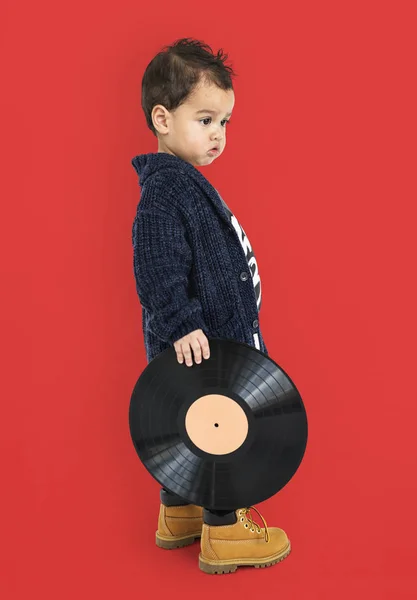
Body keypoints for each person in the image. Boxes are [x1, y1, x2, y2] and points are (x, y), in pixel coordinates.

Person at [130, 37, 291, 574]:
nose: (218, 134)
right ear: (162, 119)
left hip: (215, 339)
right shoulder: (165, 192)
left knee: (189, 430)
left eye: (224, 122)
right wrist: (181, 324)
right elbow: (158, 267)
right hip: (205, 345)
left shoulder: (187, 185)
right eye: (204, 119)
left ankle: (178, 514)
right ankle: (224, 532)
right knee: (223, 428)